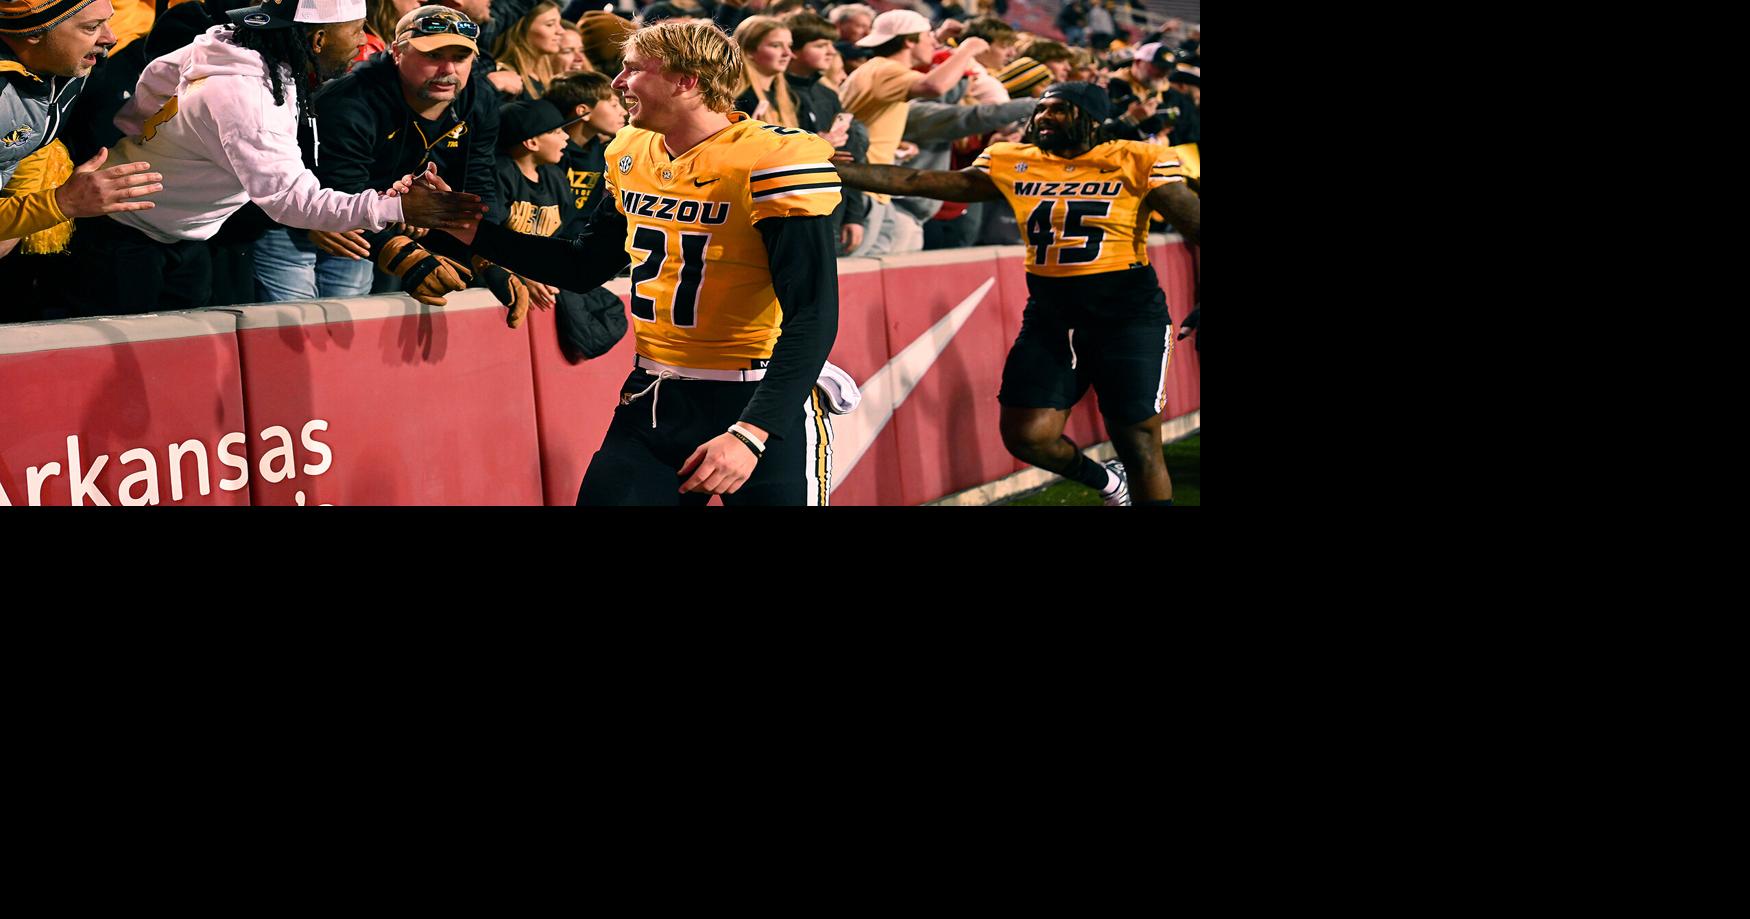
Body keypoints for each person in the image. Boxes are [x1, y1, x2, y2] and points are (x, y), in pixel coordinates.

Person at [422, 18, 842, 505]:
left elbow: (813, 314)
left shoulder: (772, 158)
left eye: (633, 69)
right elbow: (583, 266)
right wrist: (470, 229)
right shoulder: (632, 150)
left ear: (687, 80)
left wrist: (753, 431)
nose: (618, 83)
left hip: (757, 397)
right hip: (655, 394)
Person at [834, 82, 1199, 505]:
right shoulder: (1014, 161)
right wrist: (837, 169)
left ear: (1093, 117)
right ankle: (1105, 481)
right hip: (1051, 313)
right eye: (1042, 109)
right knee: (1027, 435)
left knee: (1136, 439)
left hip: (1126, 311)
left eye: (1060, 110)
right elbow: (918, 179)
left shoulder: (1137, 158)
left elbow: (1194, 222)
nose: (1044, 117)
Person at [46, 0, 484, 316]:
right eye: (356, 30)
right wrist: (394, 207)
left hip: (180, 235)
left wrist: (137, 124)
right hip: (127, 235)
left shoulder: (238, 48)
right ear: (317, 38)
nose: (363, 42)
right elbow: (293, 201)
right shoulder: (249, 96)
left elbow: (157, 75)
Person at [282, 4, 526, 313]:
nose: (448, 70)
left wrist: (490, 251)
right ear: (397, 52)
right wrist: (399, 250)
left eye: (460, 57)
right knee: (287, 320)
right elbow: (341, 190)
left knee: (345, 322)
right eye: (433, 55)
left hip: (370, 217)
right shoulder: (351, 101)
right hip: (293, 215)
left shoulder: (479, 99)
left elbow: (478, 181)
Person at [2, 0, 163, 269]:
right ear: (33, 33)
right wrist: (60, 202)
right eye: (92, 27)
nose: (111, 37)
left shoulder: (66, 61)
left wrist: (21, 208)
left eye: (108, 21)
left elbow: (30, 139)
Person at [835, 8, 985, 256]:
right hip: (863, 186)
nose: (933, 43)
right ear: (908, 41)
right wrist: (967, 50)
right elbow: (934, 86)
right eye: (927, 36)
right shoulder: (886, 70)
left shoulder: (878, 69)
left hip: (874, 187)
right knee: (854, 268)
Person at [489, 0, 562, 98]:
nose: (561, 31)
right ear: (522, 30)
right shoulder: (507, 80)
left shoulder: (547, 75)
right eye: (550, 24)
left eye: (559, 23)